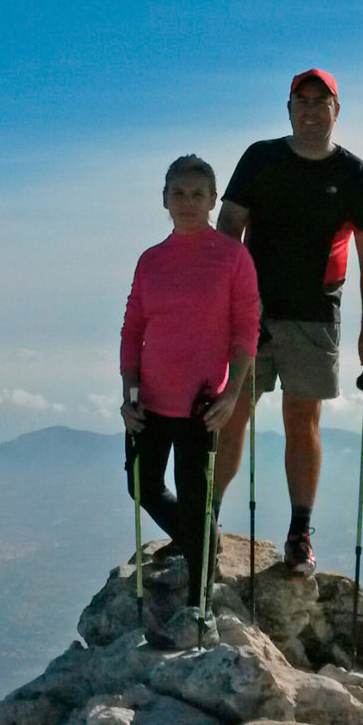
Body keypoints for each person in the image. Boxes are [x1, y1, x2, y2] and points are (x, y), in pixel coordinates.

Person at [214, 69, 363, 578]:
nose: (311, 109)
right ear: (288, 108)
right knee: (231, 417)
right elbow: (228, 232)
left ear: (337, 110)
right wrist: (218, 308)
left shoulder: (355, 175)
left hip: (315, 315)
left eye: (321, 101)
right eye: (301, 100)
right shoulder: (260, 158)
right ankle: (208, 524)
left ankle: (299, 534)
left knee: (301, 423)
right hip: (252, 313)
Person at [121, 155, 259, 643]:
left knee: (198, 497)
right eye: (178, 193)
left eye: (197, 194)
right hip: (151, 401)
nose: (187, 202)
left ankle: (200, 605)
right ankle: (201, 542)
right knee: (143, 485)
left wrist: (233, 392)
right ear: (163, 199)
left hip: (202, 403)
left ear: (213, 200)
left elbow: (246, 329)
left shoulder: (231, 257)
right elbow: (133, 328)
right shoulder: (151, 260)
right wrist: (129, 395)